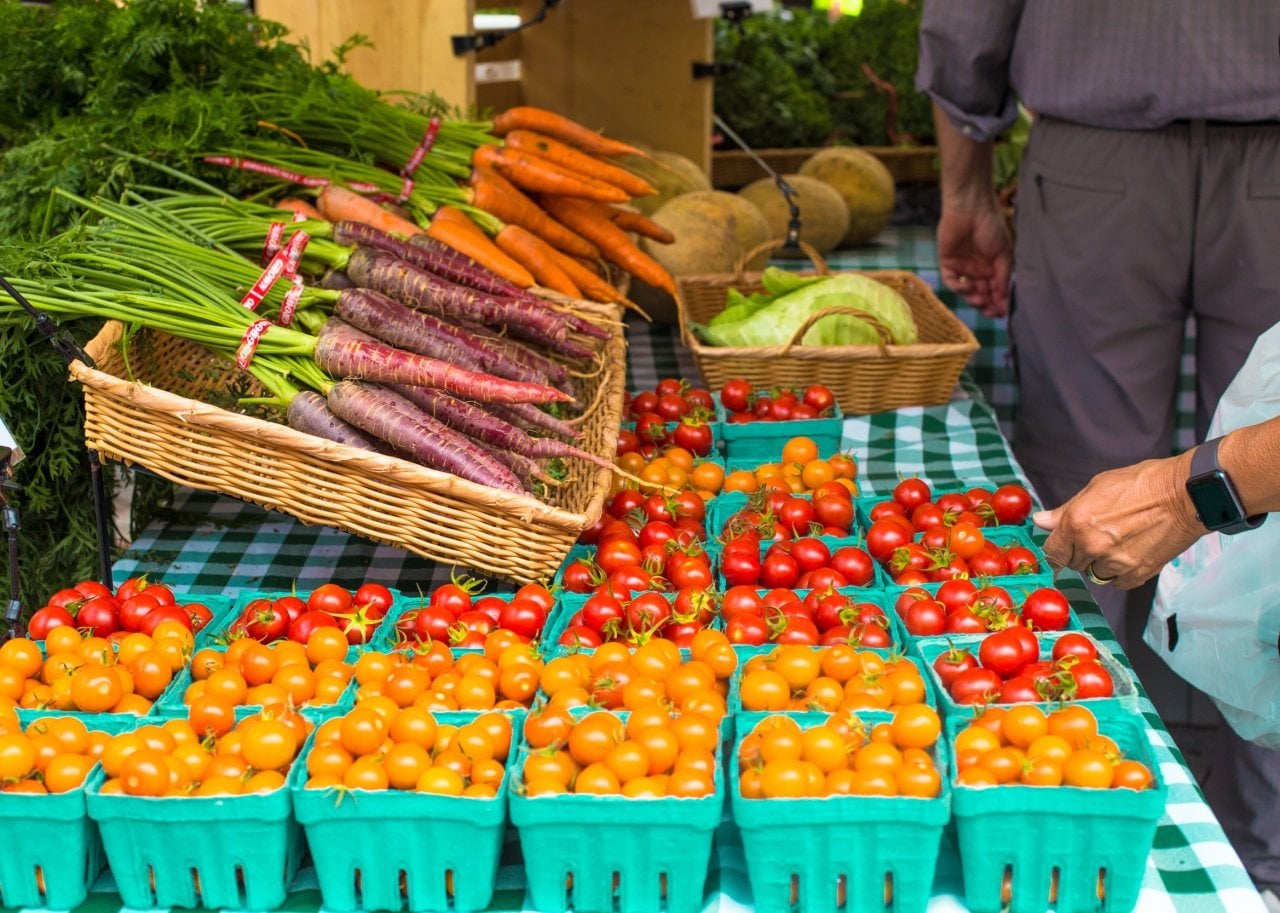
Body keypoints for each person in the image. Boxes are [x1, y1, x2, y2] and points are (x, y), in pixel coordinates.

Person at [916, 0, 1280, 899]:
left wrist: (965, 192)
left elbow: (968, 23)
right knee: (1273, 516)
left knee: (1082, 504)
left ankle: (1061, 812)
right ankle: (1266, 861)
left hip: (1098, 161)